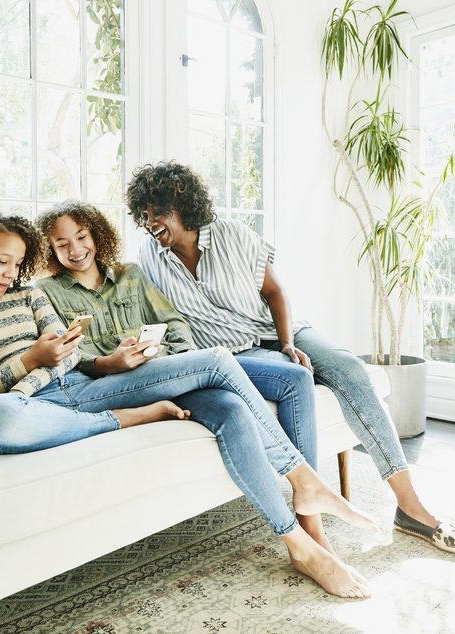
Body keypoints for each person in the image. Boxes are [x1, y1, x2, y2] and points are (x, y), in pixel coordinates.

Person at [0, 208, 378, 597]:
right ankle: (130, 417)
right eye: (2, 262)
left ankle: (300, 535)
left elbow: (70, 355)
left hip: (79, 390)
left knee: (225, 388)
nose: (11, 274)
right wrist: (27, 364)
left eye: (18, 264)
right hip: (24, 409)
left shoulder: (29, 297)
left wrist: (51, 361)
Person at [126, 162, 455, 555]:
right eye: (144, 215)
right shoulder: (150, 256)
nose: (150, 223)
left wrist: (288, 343)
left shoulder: (234, 235)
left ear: (183, 204)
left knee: (350, 370)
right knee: (295, 380)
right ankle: (310, 517)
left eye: (158, 212)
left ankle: (410, 508)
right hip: (233, 353)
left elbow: (275, 293)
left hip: (277, 331)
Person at [35, 200, 334, 552]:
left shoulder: (130, 274)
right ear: (50, 249)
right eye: (62, 244)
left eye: (81, 236)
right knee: (223, 373)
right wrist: (107, 363)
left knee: (267, 392)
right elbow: (67, 353)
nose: (75, 249)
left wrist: (173, 355)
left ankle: (305, 524)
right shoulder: (46, 291)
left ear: (97, 234)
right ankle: (305, 511)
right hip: (118, 383)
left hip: (170, 370)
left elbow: (173, 322)